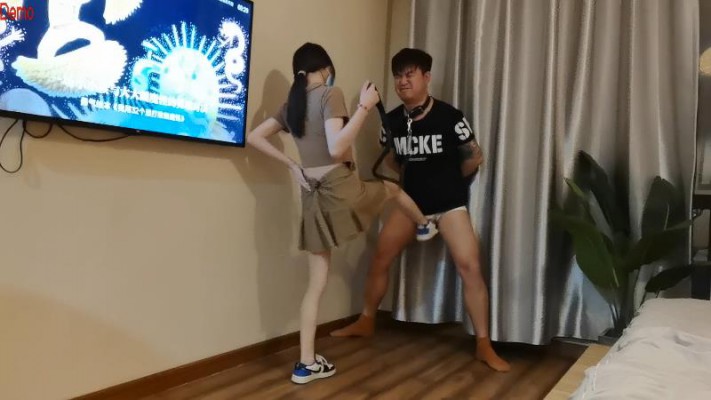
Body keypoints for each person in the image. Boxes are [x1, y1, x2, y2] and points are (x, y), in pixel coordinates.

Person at [246, 43, 439, 384]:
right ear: (325, 67)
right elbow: (337, 148)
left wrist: (292, 164)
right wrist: (364, 107)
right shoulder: (329, 93)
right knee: (392, 189)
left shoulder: (292, 104)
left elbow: (254, 136)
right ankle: (424, 225)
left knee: (316, 283)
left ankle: (306, 363)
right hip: (339, 187)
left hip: (311, 194)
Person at [330, 48, 511, 373]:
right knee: (380, 256)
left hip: (450, 205)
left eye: (409, 74)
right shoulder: (391, 121)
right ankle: (367, 320)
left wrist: (449, 182)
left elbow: (474, 157)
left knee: (470, 266)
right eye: (398, 75)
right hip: (410, 203)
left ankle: (484, 344)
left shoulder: (450, 117)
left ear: (426, 77)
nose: (403, 81)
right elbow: (390, 159)